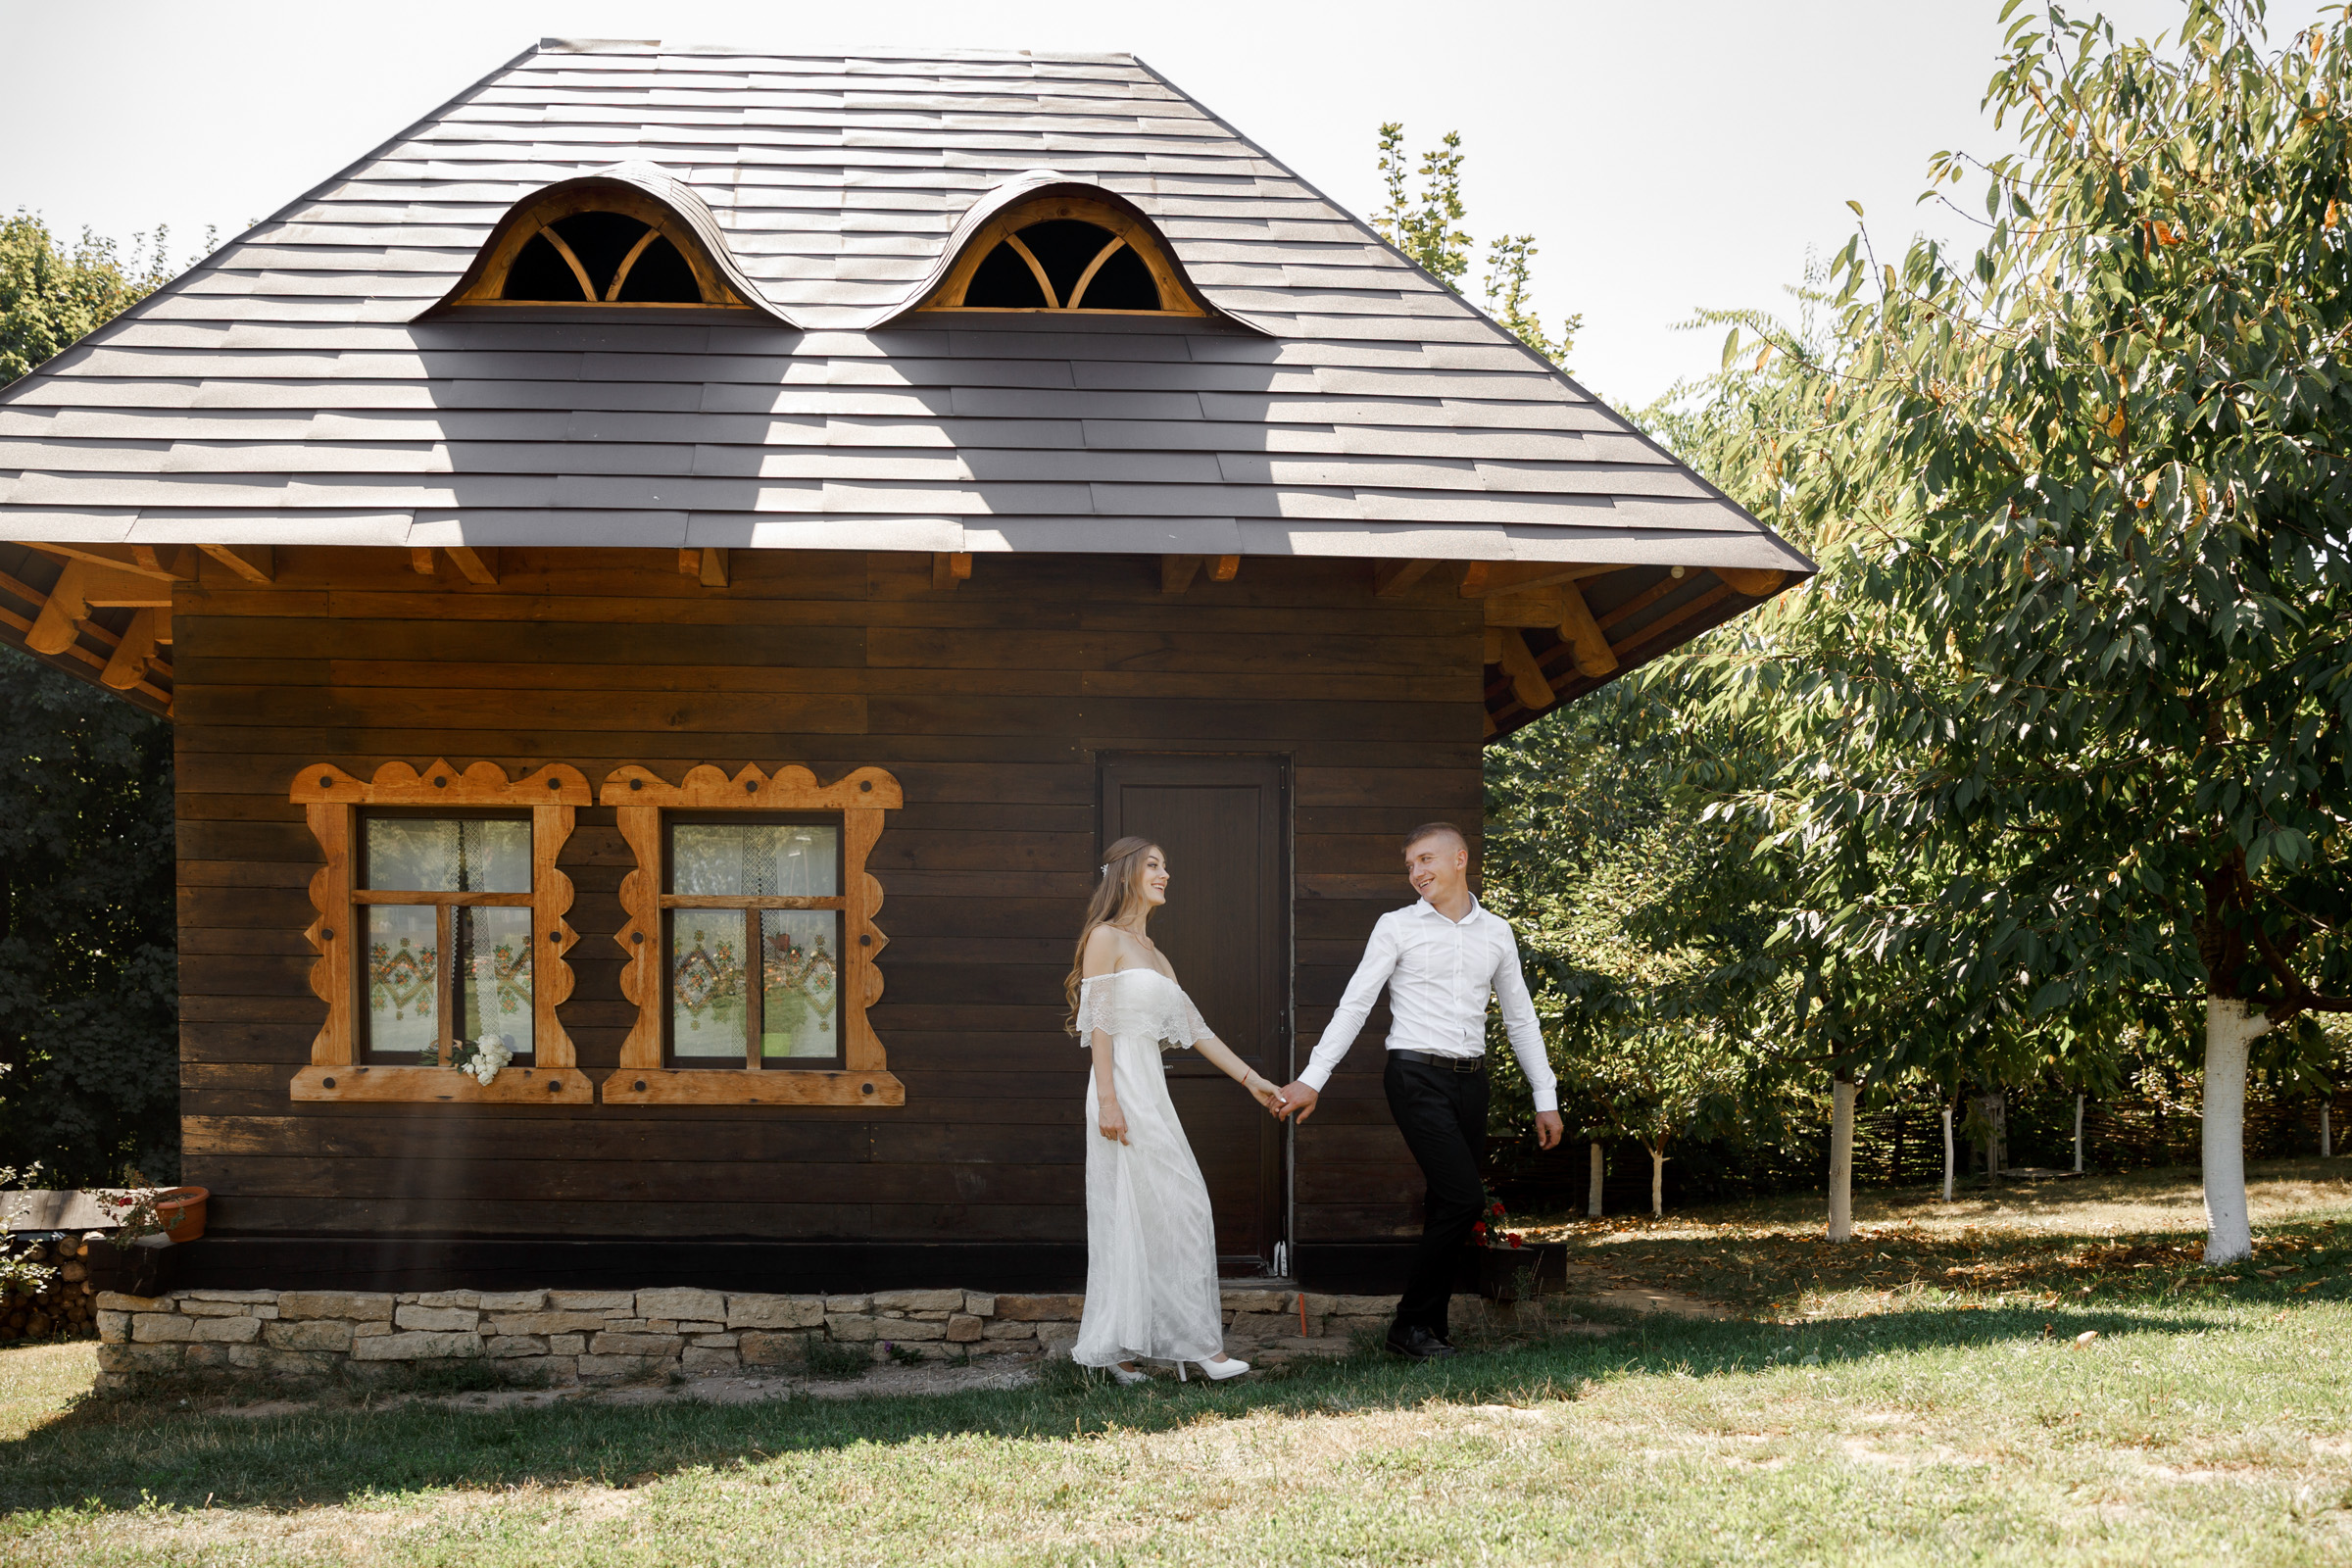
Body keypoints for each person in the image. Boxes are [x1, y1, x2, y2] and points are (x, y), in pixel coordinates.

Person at [1272, 822, 1562, 1361]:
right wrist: (1313, 1078)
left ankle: (1430, 1327)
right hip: (1414, 1076)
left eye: (1425, 860)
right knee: (1465, 1197)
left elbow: (1521, 1019)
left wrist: (1545, 1097)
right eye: (1410, 866)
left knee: (1447, 1202)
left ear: (1459, 859)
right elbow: (1356, 1003)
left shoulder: (1497, 932)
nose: (1416, 873)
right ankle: (1409, 1326)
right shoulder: (1397, 926)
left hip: (1472, 1080)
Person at [1067, 835, 1286, 1383]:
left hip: (1151, 1088)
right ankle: (1167, 1349)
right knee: (1139, 1211)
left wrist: (1251, 1080)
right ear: (1125, 873)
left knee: (1173, 1209)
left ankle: (1160, 1345)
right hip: (1120, 1086)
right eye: (1153, 865)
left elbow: (1195, 1028)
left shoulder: (1156, 954)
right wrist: (1109, 1101)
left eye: (1166, 866)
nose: (1165, 874)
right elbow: (1098, 1026)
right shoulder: (1105, 937)